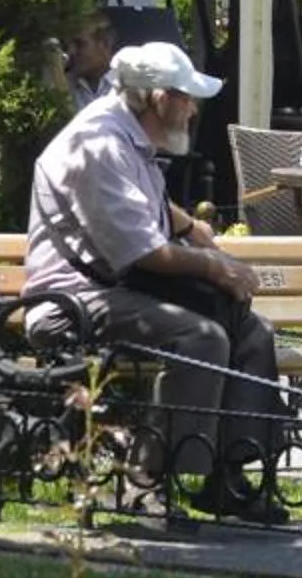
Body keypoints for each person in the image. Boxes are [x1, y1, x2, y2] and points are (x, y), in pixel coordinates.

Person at [22, 43, 285, 521]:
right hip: (74, 301)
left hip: (119, 288)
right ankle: (143, 481)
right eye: (186, 98)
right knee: (200, 337)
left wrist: (189, 228)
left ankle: (225, 476)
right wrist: (216, 267)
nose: (194, 108)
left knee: (252, 332)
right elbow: (141, 251)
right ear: (159, 98)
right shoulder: (99, 145)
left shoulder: (128, 134)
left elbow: (144, 206)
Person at [62, 12, 115, 113]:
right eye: (68, 45)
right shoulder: (66, 84)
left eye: (79, 44)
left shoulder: (128, 86)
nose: (71, 51)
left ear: (105, 44)